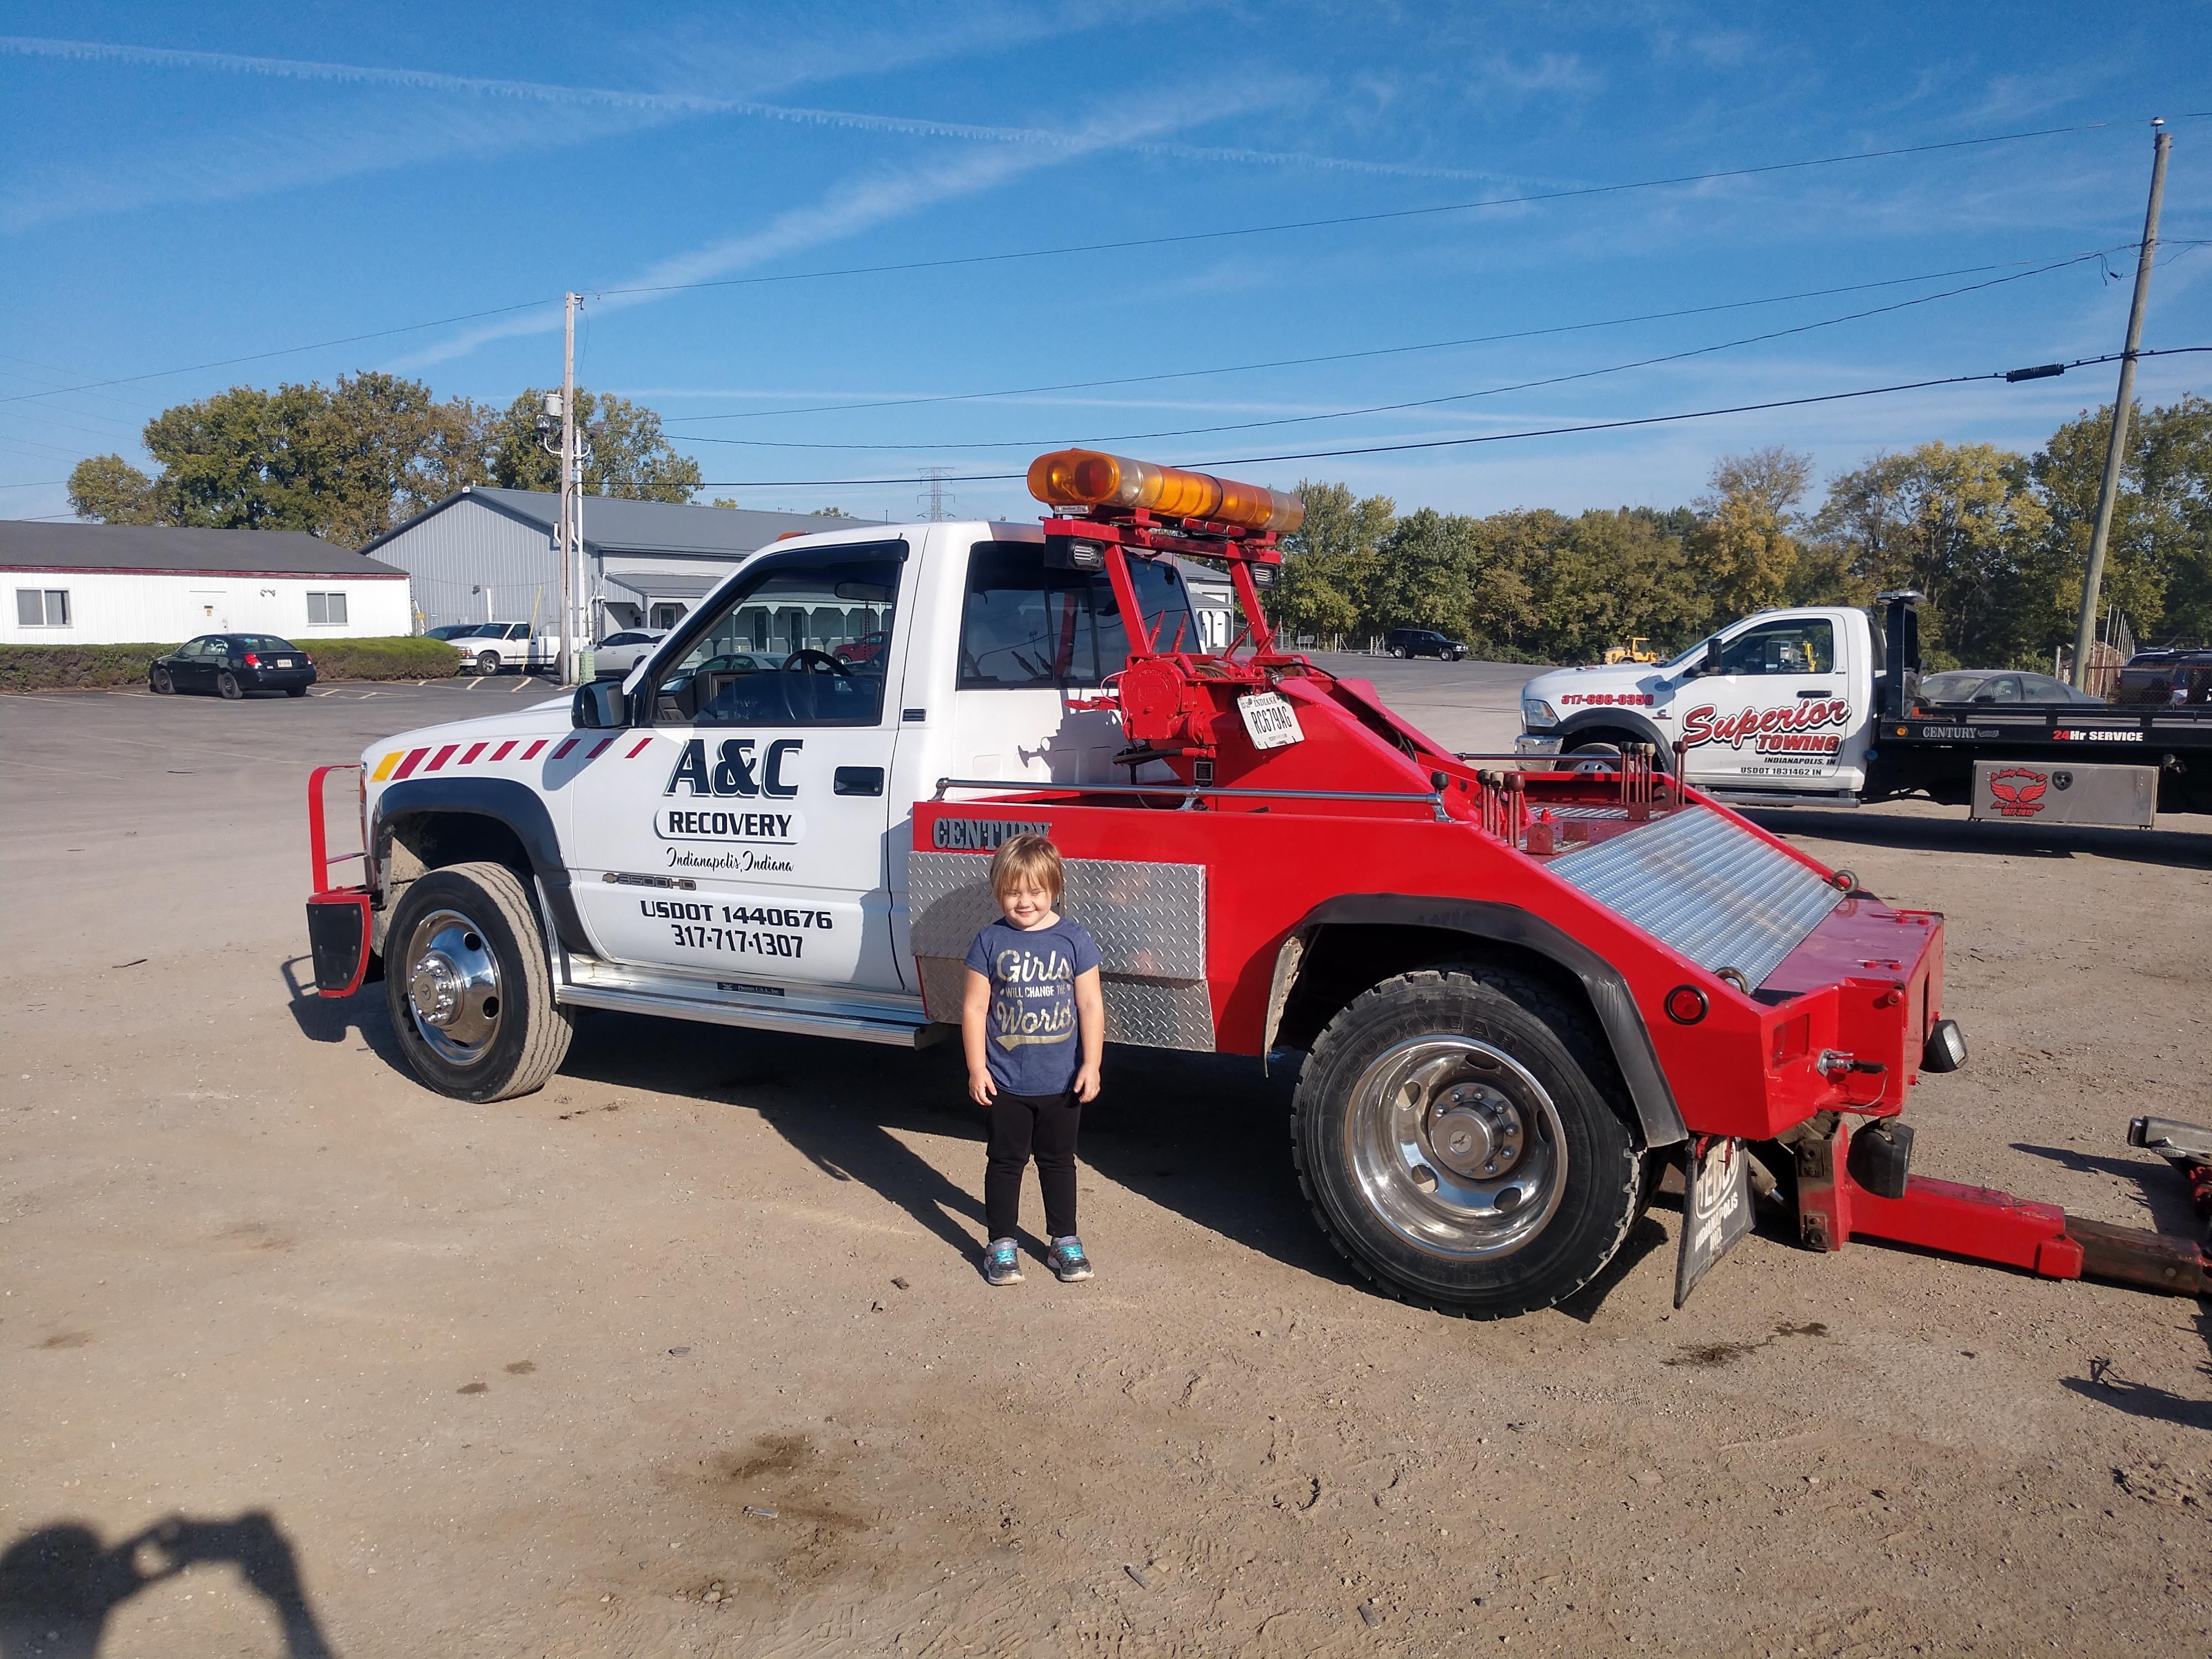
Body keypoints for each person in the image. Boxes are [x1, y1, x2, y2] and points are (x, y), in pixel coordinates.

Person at [962, 833, 1104, 1287]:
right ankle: (1001, 1244)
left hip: (1062, 1082)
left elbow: (1090, 1006)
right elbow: (974, 1008)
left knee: (1059, 1162)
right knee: (1005, 1161)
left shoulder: (1074, 939)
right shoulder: (989, 942)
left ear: (1055, 888)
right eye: (1014, 892)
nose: (1025, 902)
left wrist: (1092, 1064)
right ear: (998, 889)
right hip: (1006, 1082)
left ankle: (1064, 1240)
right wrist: (977, 1067)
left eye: (1036, 891)